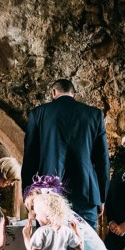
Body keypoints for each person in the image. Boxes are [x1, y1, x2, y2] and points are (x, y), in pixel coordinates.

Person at [22, 78, 109, 229]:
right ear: (74, 95)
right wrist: (101, 197)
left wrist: (27, 194)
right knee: (86, 247)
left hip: (48, 194)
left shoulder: (38, 114)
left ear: (53, 93)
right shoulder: (94, 114)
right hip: (86, 194)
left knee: (51, 248)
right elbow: (102, 160)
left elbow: (30, 158)